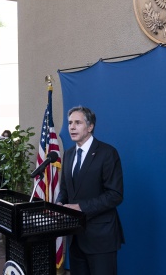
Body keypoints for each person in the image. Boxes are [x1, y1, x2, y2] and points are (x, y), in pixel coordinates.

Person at [56, 106, 124, 275]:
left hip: (101, 237)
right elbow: (65, 188)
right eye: (70, 123)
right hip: (75, 236)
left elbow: (115, 195)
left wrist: (81, 207)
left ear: (90, 126)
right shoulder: (69, 154)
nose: (72, 127)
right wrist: (59, 203)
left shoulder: (107, 153)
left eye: (77, 123)